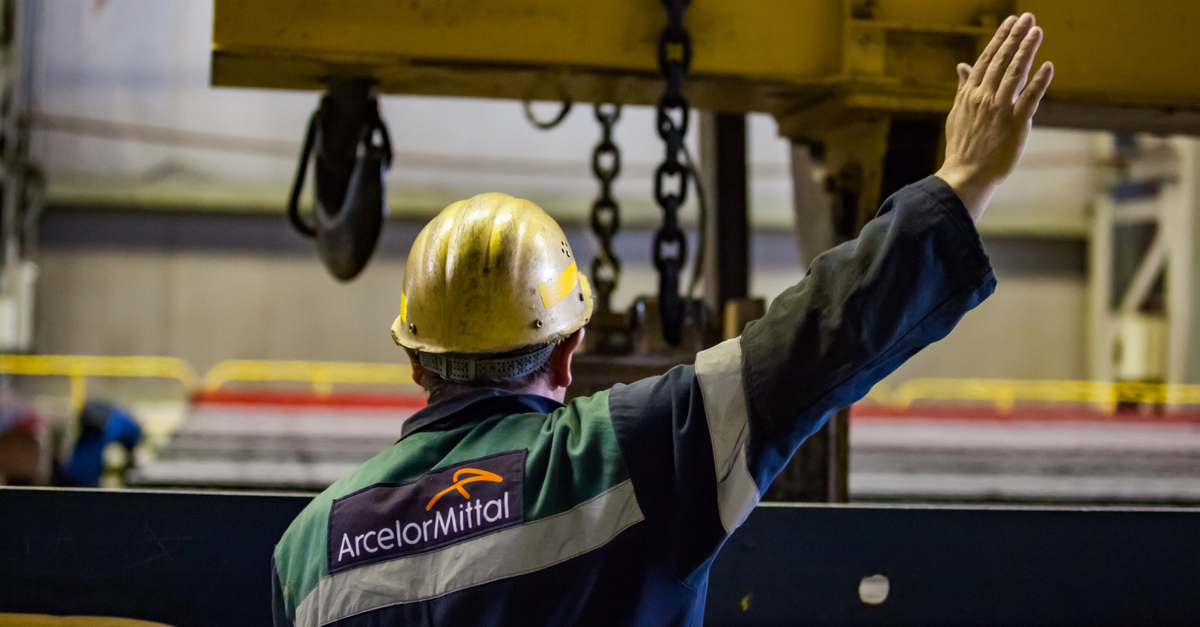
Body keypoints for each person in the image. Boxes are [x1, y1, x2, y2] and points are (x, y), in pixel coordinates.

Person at [271, 13, 1053, 627]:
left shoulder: (305, 552)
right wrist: (962, 180)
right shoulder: (626, 454)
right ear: (569, 348)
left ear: (416, 361)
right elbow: (818, 335)